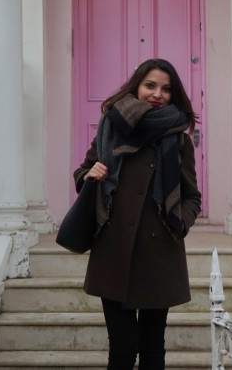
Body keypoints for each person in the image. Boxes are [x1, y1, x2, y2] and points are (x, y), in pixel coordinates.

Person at [73, 58, 201, 370]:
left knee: (152, 347)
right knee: (122, 348)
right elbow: (82, 172)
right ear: (136, 87)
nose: (158, 94)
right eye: (150, 85)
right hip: (113, 249)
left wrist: (179, 223)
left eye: (166, 89)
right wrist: (90, 174)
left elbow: (192, 196)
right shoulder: (111, 127)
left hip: (159, 254)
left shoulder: (178, 139)